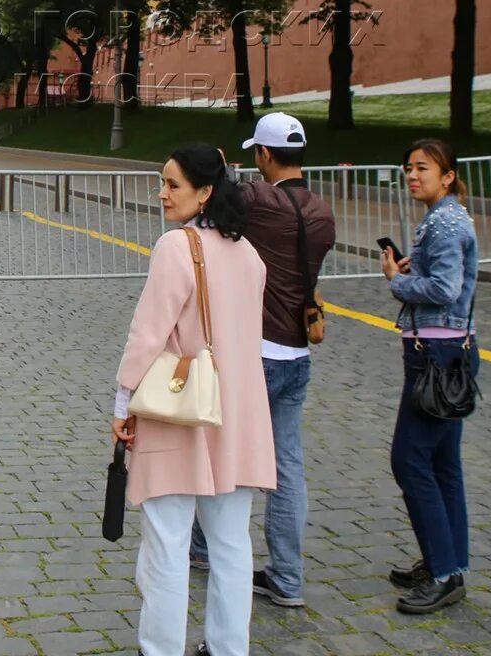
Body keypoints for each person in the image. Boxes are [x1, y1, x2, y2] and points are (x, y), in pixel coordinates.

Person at [114, 143, 275, 656]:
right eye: (162, 182)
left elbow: (148, 333)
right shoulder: (248, 253)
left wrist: (123, 403)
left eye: (173, 184)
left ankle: (160, 648)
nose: (162, 193)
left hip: (179, 408)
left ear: (204, 192)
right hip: (236, 415)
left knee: (167, 542)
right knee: (230, 546)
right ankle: (229, 648)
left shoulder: (176, 247)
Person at [189, 112, 335, 609]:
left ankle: (204, 547)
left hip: (253, 349)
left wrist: (223, 174)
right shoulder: (321, 211)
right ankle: (287, 578)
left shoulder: (257, 200)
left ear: (266, 155)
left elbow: (215, 207)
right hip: (296, 353)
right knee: (287, 466)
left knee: (218, 448)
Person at [379, 138, 480, 614]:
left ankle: (443, 573)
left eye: (422, 168)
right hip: (447, 347)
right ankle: (447, 560)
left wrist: (398, 281)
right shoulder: (446, 217)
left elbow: (445, 287)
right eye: (408, 168)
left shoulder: (445, 221)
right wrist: (411, 267)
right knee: (443, 464)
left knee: (410, 459)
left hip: (437, 352)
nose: (412, 175)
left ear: (448, 176)